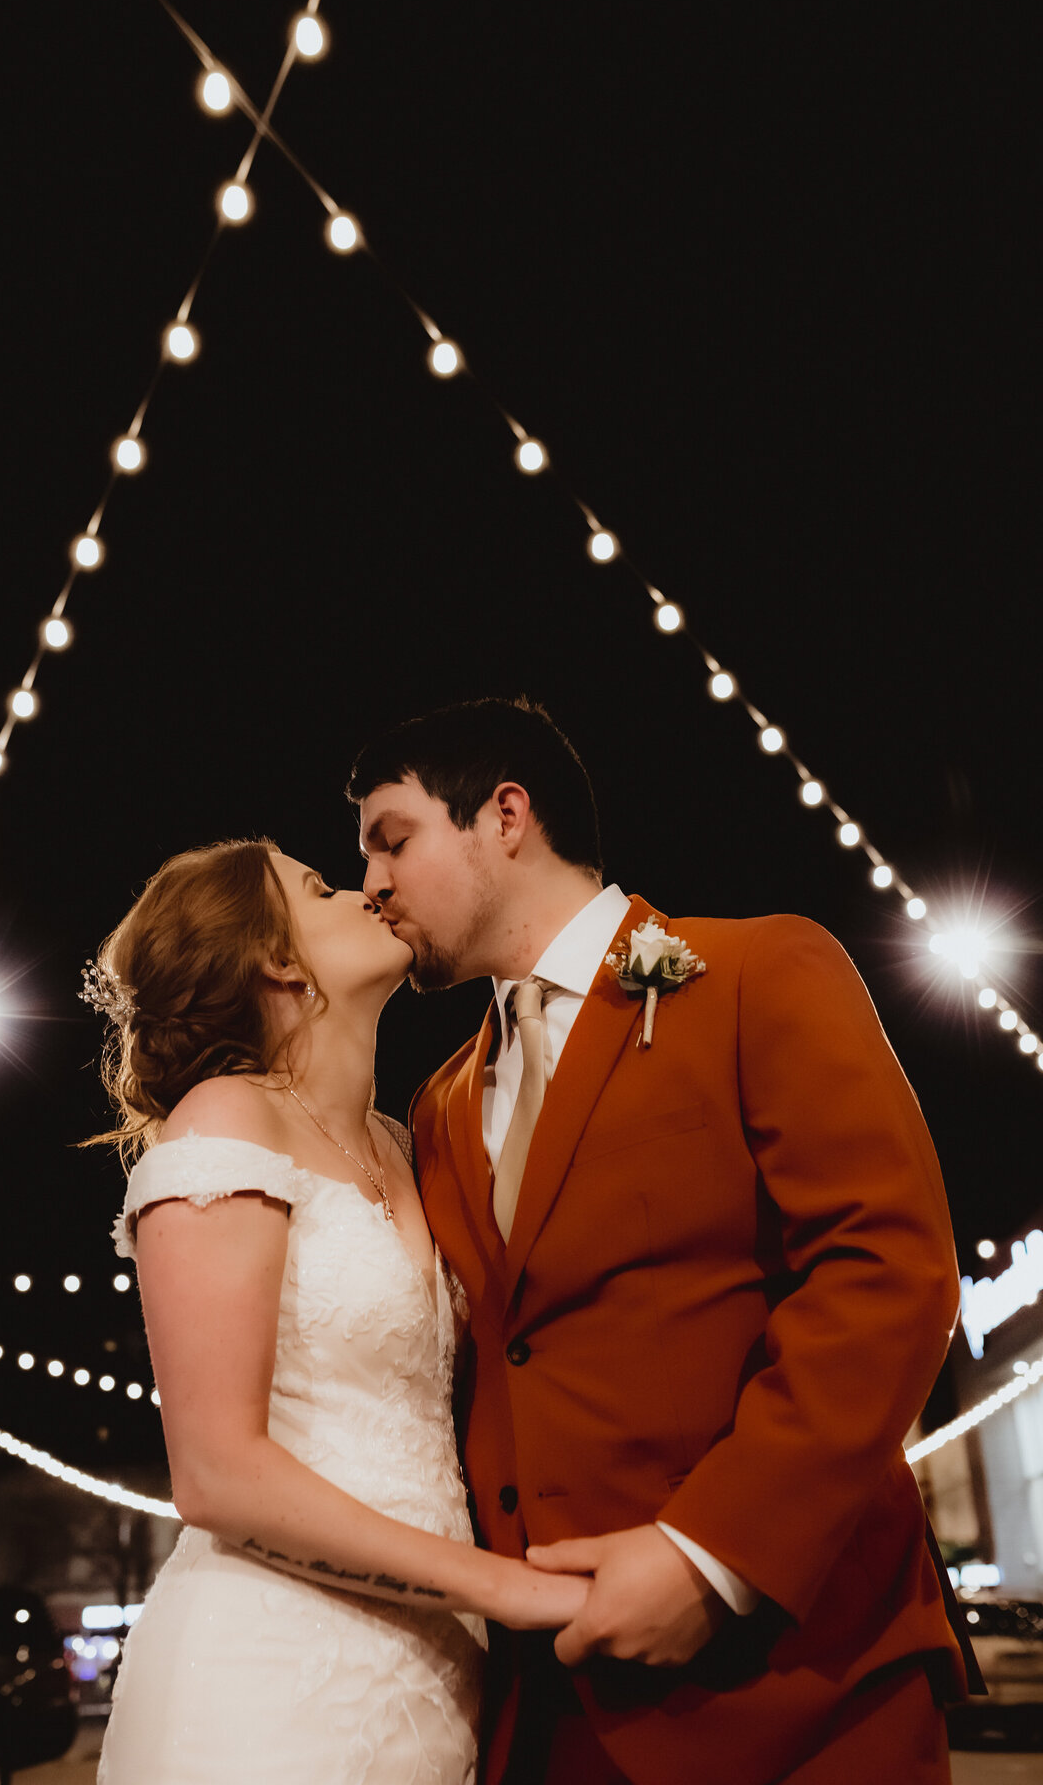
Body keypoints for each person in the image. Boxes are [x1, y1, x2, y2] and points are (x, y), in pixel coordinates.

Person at [349, 698, 977, 1785]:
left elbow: (889, 1270)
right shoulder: (439, 1104)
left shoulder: (755, 974)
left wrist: (713, 1557)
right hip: (549, 1710)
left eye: (391, 838)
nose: (371, 886)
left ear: (506, 815)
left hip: (799, 1686)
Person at [82, 838, 588, 1785]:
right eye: (318, 888)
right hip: (269, 1683)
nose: (363, 891)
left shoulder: (404, 1143)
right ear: (274, 958)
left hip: (432, 1688)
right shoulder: (225, 1119)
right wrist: (506, 1588)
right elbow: (218, 1476)